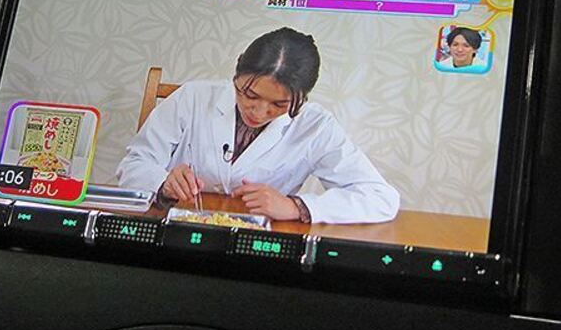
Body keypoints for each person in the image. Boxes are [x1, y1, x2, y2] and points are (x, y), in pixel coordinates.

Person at [116, 27, 400, 224]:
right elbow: (134, 165)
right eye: (249, 94)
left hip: (256, 240)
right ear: (238, 70)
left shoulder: (315, 125)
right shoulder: (193, 97)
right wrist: (163, 182)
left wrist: (296, 206)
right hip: (177, 228)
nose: (259, 111)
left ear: (303, 97)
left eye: (279, 104)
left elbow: (381, 198)